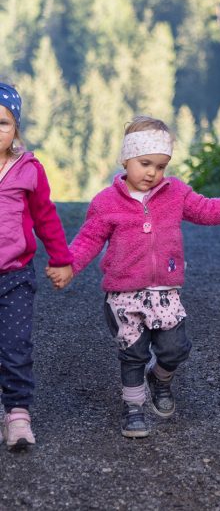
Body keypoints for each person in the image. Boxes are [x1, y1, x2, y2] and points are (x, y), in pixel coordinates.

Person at [48, 115, 220, 438]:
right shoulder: (106, 203)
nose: (152, 173)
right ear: (126, 158)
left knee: (175, 348)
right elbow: (88, 240)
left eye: (161, 166)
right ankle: (133, 409)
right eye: (145, 163)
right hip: (123, 296)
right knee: (133, 354)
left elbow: (206, 210)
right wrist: (68, 265)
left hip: (165, 293)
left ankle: (160, 378)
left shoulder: (175, 193)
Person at [0, 82, 73, 451]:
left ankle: (17, 415)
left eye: (2, 122)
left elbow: (46, 218)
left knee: (15, 346)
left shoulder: (29, 170)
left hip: (15, 276)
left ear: (16, 131)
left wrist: (62, 260)